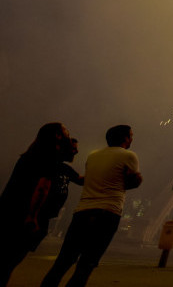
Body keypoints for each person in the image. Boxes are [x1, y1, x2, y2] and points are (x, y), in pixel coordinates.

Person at [40, 125, 142, 287]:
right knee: (86, 264)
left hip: (82, 211)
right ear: (124, 138)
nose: (132, 139)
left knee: (63, 262)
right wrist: (137, 179)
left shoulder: (93, 155)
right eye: (131, 135)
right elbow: (130, 183)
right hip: (108, 213)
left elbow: (92, 179)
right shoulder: (129, 156)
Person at [0, 123, 76, 286]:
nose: (68, 134)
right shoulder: (50, 156)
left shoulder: (29, 155)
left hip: (8, 211)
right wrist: (32, 216)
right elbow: (42, 187)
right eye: (65, 131)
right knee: (9, 263)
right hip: (27, 217)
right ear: (57, 136)